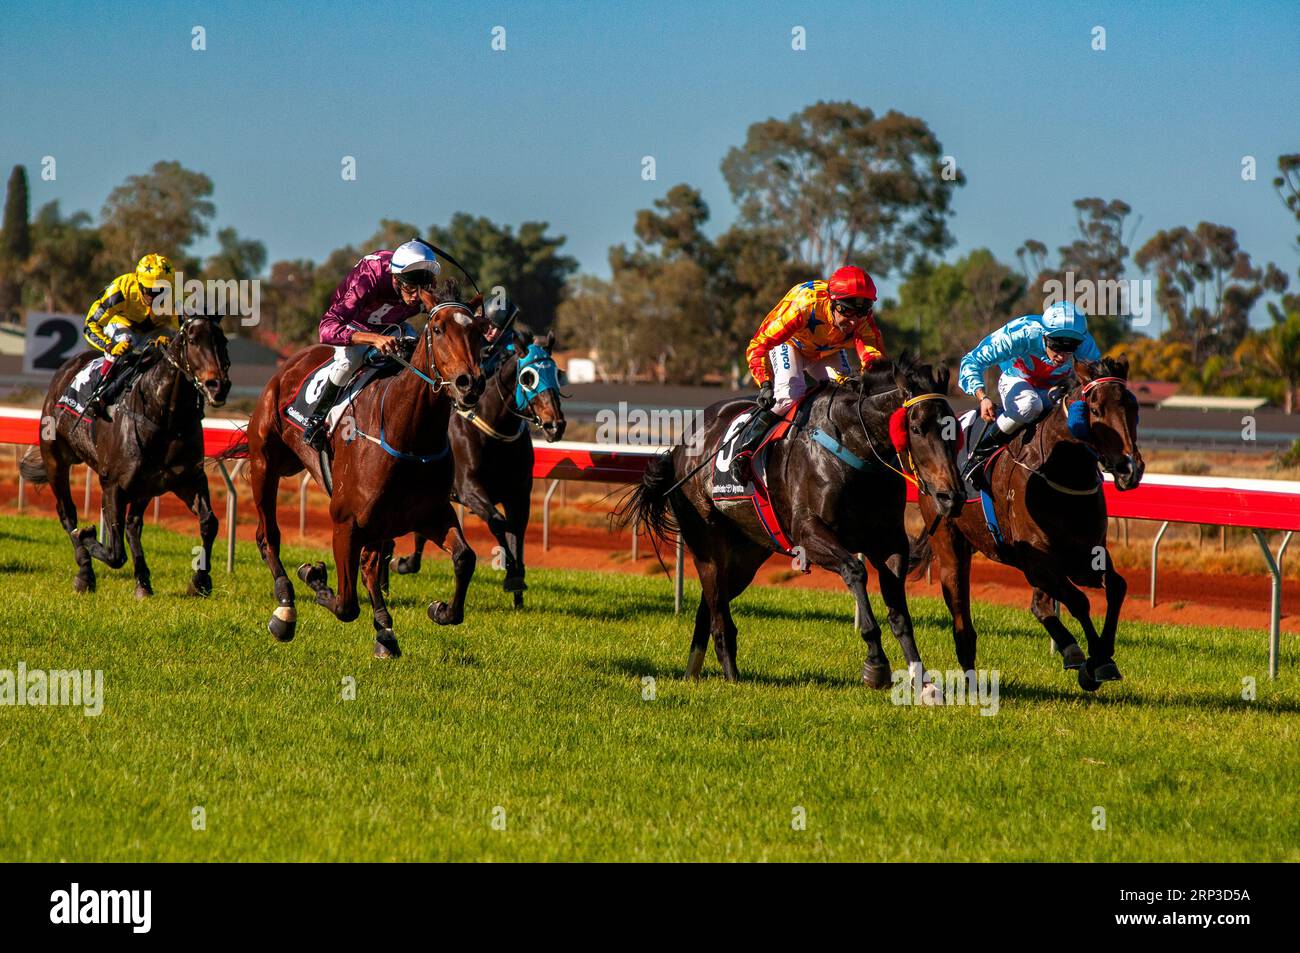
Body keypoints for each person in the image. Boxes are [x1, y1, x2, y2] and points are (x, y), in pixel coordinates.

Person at [730, 265, 885, 482]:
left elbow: (874, 360)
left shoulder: (862, 320)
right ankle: (745, 449)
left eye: (863, 310)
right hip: (790, 344)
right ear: (831, 302)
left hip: (825, 351)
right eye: (847, 310)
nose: (853, 320)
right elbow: (758, 345)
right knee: (789, 394)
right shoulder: (804, 306)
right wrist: (765, 383)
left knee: (847, 395)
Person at [301, 239, 442, 450]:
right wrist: (373, 339)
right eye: (410, 289)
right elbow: (326, 328)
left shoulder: (425, 288)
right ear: (396, 279)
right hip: (353, 322)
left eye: (422, 290)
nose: (416, 298)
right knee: (350, 360)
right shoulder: (371, 276)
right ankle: (316, 421)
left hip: (390, 324)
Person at [957, 300, 1101, 489]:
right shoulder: (1022, 333)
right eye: (1056, 345)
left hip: (1057, 388)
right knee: (1029, 404)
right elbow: (972, 360)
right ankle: (981, 453)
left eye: (1071, 347)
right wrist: (982, 397)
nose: (1062, 355)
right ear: (1043, 335)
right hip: (1017, 380)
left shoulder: (1086, 345)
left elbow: (1097, 384)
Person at [82, 253, 178, 418]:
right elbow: (90, 325)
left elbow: (186, 331)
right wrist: (110, 346)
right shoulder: (119, 290)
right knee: (126, 341)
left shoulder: (176, 296)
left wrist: (172, 339)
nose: (155, 296)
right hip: (122, 324)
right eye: (150, 290)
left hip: (157, 330)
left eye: (161, 291)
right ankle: (98, 395)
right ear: (138, 282)